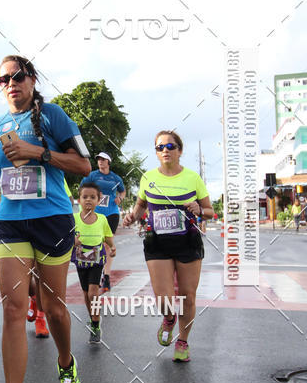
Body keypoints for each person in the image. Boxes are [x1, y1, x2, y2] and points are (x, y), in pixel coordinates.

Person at [0, 55, 91, 383]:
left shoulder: (53, 115)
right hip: (11, 220)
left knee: (53, 307)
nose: (10, 83)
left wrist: (37, 151)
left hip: (52, 218)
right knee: (13, 308)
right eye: (3, 79)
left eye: (17, 76)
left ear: (32, 79)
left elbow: (83, 166)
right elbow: (2, 174)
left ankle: (66, 364)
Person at [123, 131, 214, 362]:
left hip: (187, 242)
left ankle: (183, 341)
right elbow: (141, 204)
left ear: (180, 151)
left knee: (187, 297)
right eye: (160, 147)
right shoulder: (148, 178)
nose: (165, 150)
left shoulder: (192, 178)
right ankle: (169, 317)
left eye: (170, 146)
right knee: (163, 298)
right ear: (156, 152)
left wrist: (200, 210)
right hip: (157, 242)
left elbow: (210, 211)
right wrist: (132, 216)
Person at [27, 179, 74, 338]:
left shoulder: (53, 172)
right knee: (21, 278)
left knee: (39, 276)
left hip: (47, 227)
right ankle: (35, 298)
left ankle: (40, 319)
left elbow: (69, 200)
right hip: (17, 223)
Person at [72, 181, 116, 343]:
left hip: (97, 260)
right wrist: (73, 241)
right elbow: (65, 237)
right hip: (81, 260)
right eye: (85, 197)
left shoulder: (102, 219)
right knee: (85, 294)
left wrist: (112, 247)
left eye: (92, 197)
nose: (88, 200)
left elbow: (108, 236)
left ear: (99, 200)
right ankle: (93, 318)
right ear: (79, 200)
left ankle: (96, 323)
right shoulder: (74, 218)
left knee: (92, 292)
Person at [82, 153, 125, 293]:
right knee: (95, 243)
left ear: (108, 162)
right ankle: (95, 272)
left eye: (103, 159)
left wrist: (120, 198)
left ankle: (106, 276)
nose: (100, 162)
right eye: (98, 160)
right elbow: (82, 189)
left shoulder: (115, 178)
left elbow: (122, 191)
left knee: (107, 244)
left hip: (112, 213)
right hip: (96, 214)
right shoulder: (92, 176)